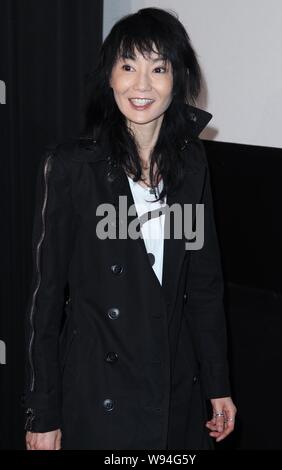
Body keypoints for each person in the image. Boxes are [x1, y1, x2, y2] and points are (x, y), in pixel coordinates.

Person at [23, 7, 237, 450]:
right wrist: (43, 414)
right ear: (110, 78)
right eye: (128, 66)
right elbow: (45, 303)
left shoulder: (192, 163)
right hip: (100, 393)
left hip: (174, 389)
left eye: (158, 68)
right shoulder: (71, 169)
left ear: (177, 79)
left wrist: (218, 383)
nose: (142, 85)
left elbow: (202, 287)